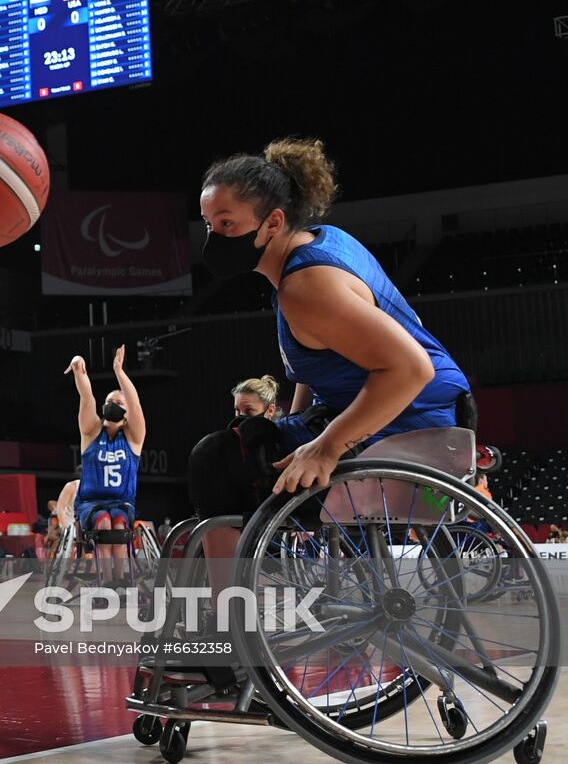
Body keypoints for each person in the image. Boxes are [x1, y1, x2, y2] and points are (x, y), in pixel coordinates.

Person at [189, 137, 472, 587]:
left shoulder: (306, 287)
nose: (213, 238)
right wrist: (293, 430)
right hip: (404, 409)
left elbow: (411, 368)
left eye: (226, 224)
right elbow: (312, 373)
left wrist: (324, 447)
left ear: (273, 222)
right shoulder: (322, 242)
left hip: (412, 420)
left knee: (215, 460)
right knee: (248, 442)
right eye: (208, 224)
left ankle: (228, 622)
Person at [66, 347, 146, 588]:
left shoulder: (133, 437)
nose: (112, 404)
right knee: (103, 523)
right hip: (91, 503)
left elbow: (135, 402)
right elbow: (87, 398)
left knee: (119, 525)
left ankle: (121, 581)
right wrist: (79, 367)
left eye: (117, 402)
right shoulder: (91, 432)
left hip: (121, 503)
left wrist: (119, 371)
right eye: (109, 401)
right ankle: (106, 582)